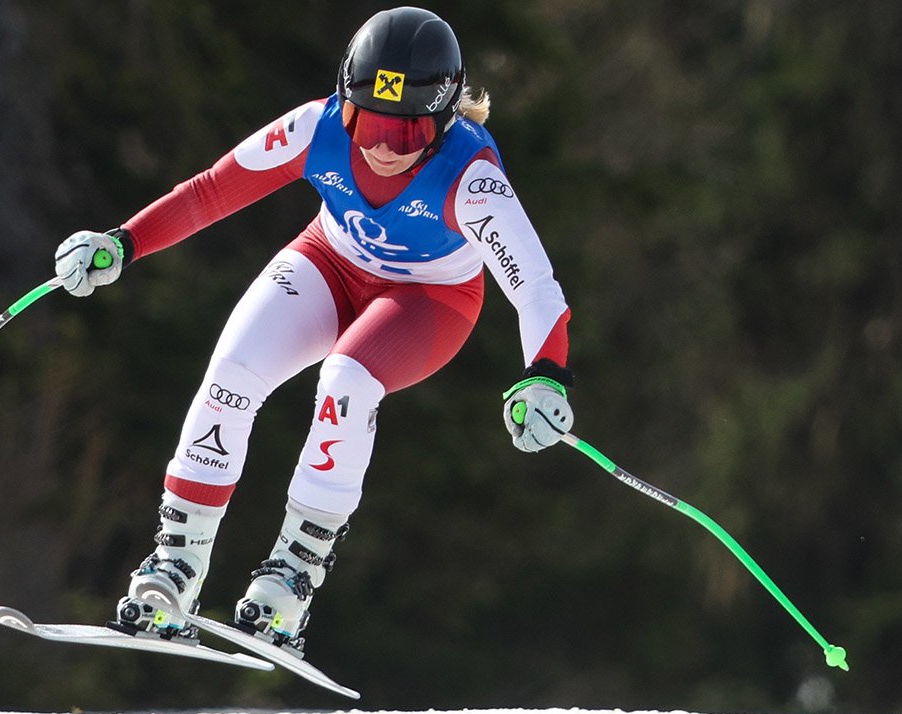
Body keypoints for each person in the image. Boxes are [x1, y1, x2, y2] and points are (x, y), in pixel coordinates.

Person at [53, 7, 574, 655]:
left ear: (442, 124)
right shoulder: (316, 125)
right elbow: (212, 191)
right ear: (344, 101)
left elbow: (534, 286)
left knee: (347, 381)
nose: (383, 145)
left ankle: (291, 581)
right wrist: (123, 243)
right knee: (233, 370)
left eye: (407, 132)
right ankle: (175, 566)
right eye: (367, 120)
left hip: (427, 301)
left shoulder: (472, 178)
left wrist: (545, 374)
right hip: (328, 262)